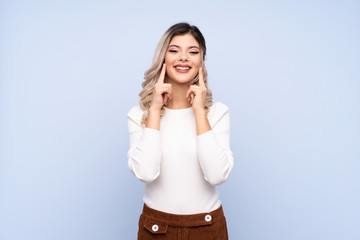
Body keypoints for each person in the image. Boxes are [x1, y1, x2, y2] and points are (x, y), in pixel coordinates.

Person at [127, 22, 234, 240]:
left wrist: (199, 112)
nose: (183, 57)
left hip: (208, 228)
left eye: (193, 52)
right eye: (174, 50)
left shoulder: (217, 113)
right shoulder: (139, 115)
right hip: (156, 229)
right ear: (163, 58)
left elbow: (217, 175)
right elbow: (145, 173)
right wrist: (155, 110)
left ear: (201, 62)